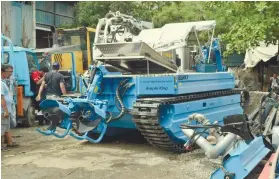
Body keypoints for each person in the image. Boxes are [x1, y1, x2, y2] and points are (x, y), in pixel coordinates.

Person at [1, 64, 20, 151]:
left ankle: (9, 142)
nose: (11, 74)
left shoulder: (7, 81)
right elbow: (1, 98)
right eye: (9, 72)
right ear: (3, 72)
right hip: (3, 110)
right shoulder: (1, 83)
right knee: (2, 128)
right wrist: (5, 110)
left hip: (7, 109)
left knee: (6, 127)